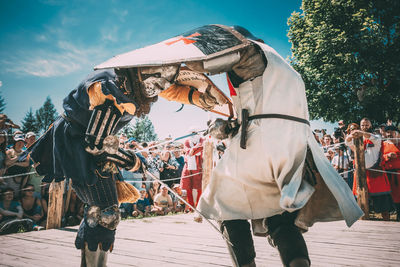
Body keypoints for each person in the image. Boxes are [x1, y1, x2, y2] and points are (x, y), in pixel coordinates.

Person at [158, 25, 362, 267]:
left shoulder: (250, 52)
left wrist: (173, 67)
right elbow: (263, 108)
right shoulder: (286, 69)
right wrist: (230, 125)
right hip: (295, 147)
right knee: (279, 217)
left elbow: (212, 60)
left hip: (260, 143)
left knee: (225, 208)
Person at [26, 63, 180, 266]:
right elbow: (95, 144)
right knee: (106, 212)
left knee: (99, 210)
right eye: (157, 81)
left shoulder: (125, 87)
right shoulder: (114, 89)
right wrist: (132, 161)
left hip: (85, 145)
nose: (158, 88)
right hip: (81, 146)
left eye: (163, 85)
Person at [346, 118, 392, 221]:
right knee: (361, 205)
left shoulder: (376, 137)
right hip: (361, 174)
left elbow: (372, 137)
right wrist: (351, 135)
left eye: (367, 125)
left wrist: (360, 132)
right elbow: (347, 142)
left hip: (375, 173)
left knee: (383, 206)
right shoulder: (357, 139)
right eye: (362, 125)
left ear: (370, 126)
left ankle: (388, 224)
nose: (364, 127)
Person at [180, 129, 204, 210]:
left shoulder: (201, 140)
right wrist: (195, 149)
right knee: (188, 186)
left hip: (199, 166)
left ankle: (198, 206)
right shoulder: (187, 141)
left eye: (195, 132)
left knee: (199, 186)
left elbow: (201, 147)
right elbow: (187, 150)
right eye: (192, 133)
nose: (194, 134)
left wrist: (192, 150)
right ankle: (190, 206)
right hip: (188, 166)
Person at [381, 125, 400, 221]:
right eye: (387, 134)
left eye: (391, 134)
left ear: (397, 134)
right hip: (388, 174)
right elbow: (379, 159)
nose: (389, 136)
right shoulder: (383, 144)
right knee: (391, 197)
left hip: (398, 174)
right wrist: (387, 156)